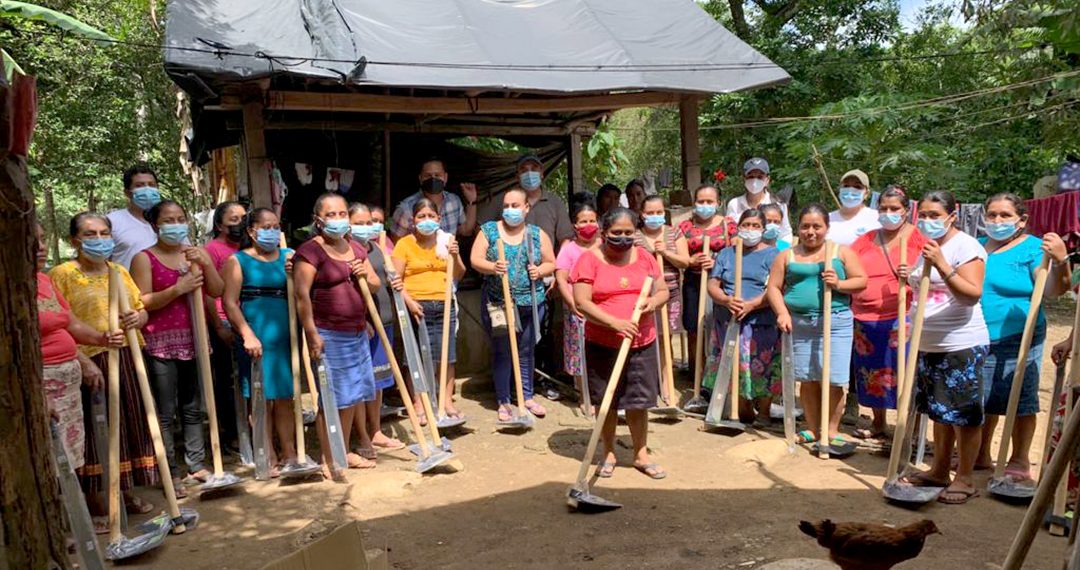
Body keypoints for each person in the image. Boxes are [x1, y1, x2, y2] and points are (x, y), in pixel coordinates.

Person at [38, 220, 137, 531]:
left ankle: (76, 518)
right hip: (45, 380)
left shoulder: (43, 281)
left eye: (42, 239)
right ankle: (59, 525)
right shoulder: (52, 276)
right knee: (52, 453)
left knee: (73, 449)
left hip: (72, 375)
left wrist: (102, 339)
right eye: (31, 240)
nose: (39, 247)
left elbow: (69, 323)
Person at [899, 190, 990, 505]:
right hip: (928, 343)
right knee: (939, 411)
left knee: (963, 414)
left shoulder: (967, 246)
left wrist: (941, 264)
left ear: (952, 215)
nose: (927, 220)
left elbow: (971, 294)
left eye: (934, 215)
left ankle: (964, 477)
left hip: (960, 343)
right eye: (923, 215)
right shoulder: (926, 245)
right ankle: (939, 470)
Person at [130, 200, 224, 494]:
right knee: (165, 411)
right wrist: (177, 289)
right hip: (160, 343)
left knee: (193, 407)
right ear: (155, 225)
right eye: (168, 220)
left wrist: (207, 263)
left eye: (180, 218)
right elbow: (142, 301)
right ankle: (168, 471)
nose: (176, 225)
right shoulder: (144, 258)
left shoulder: (194, 254)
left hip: (194, 338)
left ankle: (196, 464)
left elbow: (217, 290)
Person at [975, 193, 1070, 484]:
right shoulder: (978, 246)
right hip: (978, 333)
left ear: (1022, 220)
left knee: (1021, 398)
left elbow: (1054, 290)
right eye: (992, 215)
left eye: (1005, 215)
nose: (997, 221)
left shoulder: (1035, 248)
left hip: (1020, 335)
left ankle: (1018, 459)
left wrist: (1061, 261)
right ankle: (980, 453)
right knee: (983, 396)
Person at [571, 207, 669, 479]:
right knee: (607, 400)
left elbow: (663, 291)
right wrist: (614, 323)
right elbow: (582, 302)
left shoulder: (645, 258)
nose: (623, 237)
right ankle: (608, 452)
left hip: (642, 341)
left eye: (628, 232)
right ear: (604, 233)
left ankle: (641, 454)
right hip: (602, 343)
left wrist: (652, 302)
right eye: (617, 232)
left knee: (638, 400)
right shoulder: (588, 260)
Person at [293, 193, 382, 475]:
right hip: (328, 334)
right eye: (331, 214)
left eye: (342, 213)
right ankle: (329, 458)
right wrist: (311, 333)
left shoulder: (356, 248)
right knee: (332, 398)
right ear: (318, 220)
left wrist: (363, 274)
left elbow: (375, 285)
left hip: (356, 333)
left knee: (353, 396)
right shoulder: (310, 252)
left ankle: (342, 452)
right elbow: (301, 296)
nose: (338, 219)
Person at [766, 204, 867, 445]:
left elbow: (861, 280)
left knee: (834, 378)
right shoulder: (786, 255)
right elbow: (773, 288)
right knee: (808, 377)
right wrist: (782, 313)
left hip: (836, 322)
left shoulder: (841, 253)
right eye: (805, 226)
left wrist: (839, 284)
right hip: (799, 324)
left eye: (816, 226)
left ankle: (831, 430)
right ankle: (812, 428)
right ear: (798, 228)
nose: (810, 232)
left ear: (826, 228)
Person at [221, 208, 296, 477]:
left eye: (276, 226)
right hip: (255, 335)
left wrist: (294, 273)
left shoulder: (289, 256)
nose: (272, 232)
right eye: (266, 227)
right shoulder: (237, 261)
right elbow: (230, 302)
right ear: (252, 231)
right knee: (260, 397)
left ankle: (290, 452)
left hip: (285, 334)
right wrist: (247, 334)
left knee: (285, 396)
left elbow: (303, 292)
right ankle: (267, 453)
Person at [848, 187, 927, 440]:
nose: (888, 213)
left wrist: (913, 274)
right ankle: (879, 422)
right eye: (883, 208)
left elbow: (934, 272)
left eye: (894, 208)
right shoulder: (867, 239)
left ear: (906, 210)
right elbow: (848, 263)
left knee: (906, 372)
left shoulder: (919, 238)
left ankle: (909, 431)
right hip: (865, 319)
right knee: (872, 372)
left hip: (902, 316)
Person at [471, 187, 557, 421]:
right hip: (499, 303)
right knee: (502, 350)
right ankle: (504, 399)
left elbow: (551, 262)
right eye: (506, 206)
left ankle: (526, 396)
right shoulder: (490, 231)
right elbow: (475, 259)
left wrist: (540, 271)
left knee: (526, 350)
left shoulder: (536, 234)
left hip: (531, 302)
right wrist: (493, 267)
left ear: (526, 208)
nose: (510, 210)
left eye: (515, 206)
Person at [390, 199, 467, 423]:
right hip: (416, 306)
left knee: (447, 355)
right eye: (421, 216)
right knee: (415, 355)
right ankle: (419, 402)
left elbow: (459, 273)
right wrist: (409, 303)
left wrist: (454, 255)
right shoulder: (404, 244)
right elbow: (395, 281)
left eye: (431, 216)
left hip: (444, 303)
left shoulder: (447, 240)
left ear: (439, 219)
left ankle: (446, 401)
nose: (426, 220)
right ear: (413, 221)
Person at [706, 209, 781, 424]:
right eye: (746, 224)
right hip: (729, 319)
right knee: (734, 366)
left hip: (761, 321)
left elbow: (775, 287)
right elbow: (713, 284)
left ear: (763, 229)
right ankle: (742, 409)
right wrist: (725, 300)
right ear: (738, 227)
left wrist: (752, 305)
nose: (750, 229)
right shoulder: (726, 254)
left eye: (755, 226)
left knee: (764, 367)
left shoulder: (773, 255)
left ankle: (764, 412)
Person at [348, 204, 405, 451]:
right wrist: (364, 320)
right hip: (365, 326)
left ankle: (376, 430)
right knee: (363, 382)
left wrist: (396, 283)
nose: (366, 227)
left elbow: (385, 279)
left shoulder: (377, 248)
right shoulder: (348, 252)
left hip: (385, 321)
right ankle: (362, 434)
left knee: (380, 379)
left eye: (369, 222)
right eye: (359, 223)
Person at [676, 184, 737, 362]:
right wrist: (691, 261)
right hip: (693, 283)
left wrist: (717, 263)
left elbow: (736, 253)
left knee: (720, 324)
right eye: (701, 201)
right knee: (693, 326)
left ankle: (719, 368)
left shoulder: (728, 225)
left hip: (721, 283)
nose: (705, 205)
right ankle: (696, 369)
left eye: (709, 201)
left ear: (718, 202)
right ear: (694, 203)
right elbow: (682, 256)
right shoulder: (684, 226)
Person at [204, 201, 246, 453]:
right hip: (223, 319)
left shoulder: (247, 247)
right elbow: (208, 292)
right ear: (220, 225)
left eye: (243, 218)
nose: (240, 223)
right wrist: (219, 326)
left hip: (246, 319)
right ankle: (231, 433)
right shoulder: (212, 249)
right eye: (234, 219)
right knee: (227, 380)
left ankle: (251, 427)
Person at [637, 194, 689, 387]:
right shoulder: (635, 236)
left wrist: (666, 252)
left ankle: (667, 383)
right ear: (642, 214)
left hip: (671, 293)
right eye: (650, 213)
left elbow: (685, 261)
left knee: (665, 338)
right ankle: (651, 381)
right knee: (648, 338)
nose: (655, 216)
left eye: (659, 212)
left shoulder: (674, 233)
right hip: (644, 295)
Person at [555, 203, 601, 414]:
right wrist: (572, 304)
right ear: (575, 225)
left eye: (592, 220)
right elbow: (561, 279)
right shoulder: (568, 250)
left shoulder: (604, 246)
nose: (588, 225)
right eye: (583, 221)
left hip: (602, 308)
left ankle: (602, 394)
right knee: (579, 352)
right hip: (577, 310)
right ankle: (584, 396)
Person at [479, 154, 574, 247]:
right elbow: (480, 227)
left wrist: (559, 257)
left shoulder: (555, 202)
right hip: (509, 257)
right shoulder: (505, 200)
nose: (529, 174)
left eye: (534, 169)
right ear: (517, 176)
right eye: (524, 170)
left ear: (541, 173)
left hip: (546, 257)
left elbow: (565, 238)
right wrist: (494, 251)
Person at [390, 157, 477, 239]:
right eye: (428, 175)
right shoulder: (406, 209)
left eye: (437, 175)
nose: (433, 179)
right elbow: (396, 244)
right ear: (420, 179)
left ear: (445, 177)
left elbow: (466, 231)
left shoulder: (454, 201)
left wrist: (471, 200)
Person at [108, 163, 163, 269]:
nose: (147, 189)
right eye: (139, 185)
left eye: (151, 185)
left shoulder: (172, 221)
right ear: (127, 193)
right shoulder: (112, 222)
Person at [726, 158, 793, 242]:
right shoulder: (734, 204)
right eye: (751, 177)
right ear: (744, 179)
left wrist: (780, 248)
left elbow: (786, 234)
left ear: (767, 180)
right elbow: (729, 231)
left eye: (760, 177)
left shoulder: (778, 204)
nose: (755, 181)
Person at [827, 169, 881, 246]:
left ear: (866, 193)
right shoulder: (826, 219)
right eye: (846, 186)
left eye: (857, 187)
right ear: (839, 190)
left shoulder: (877, 218)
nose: (850, 190)